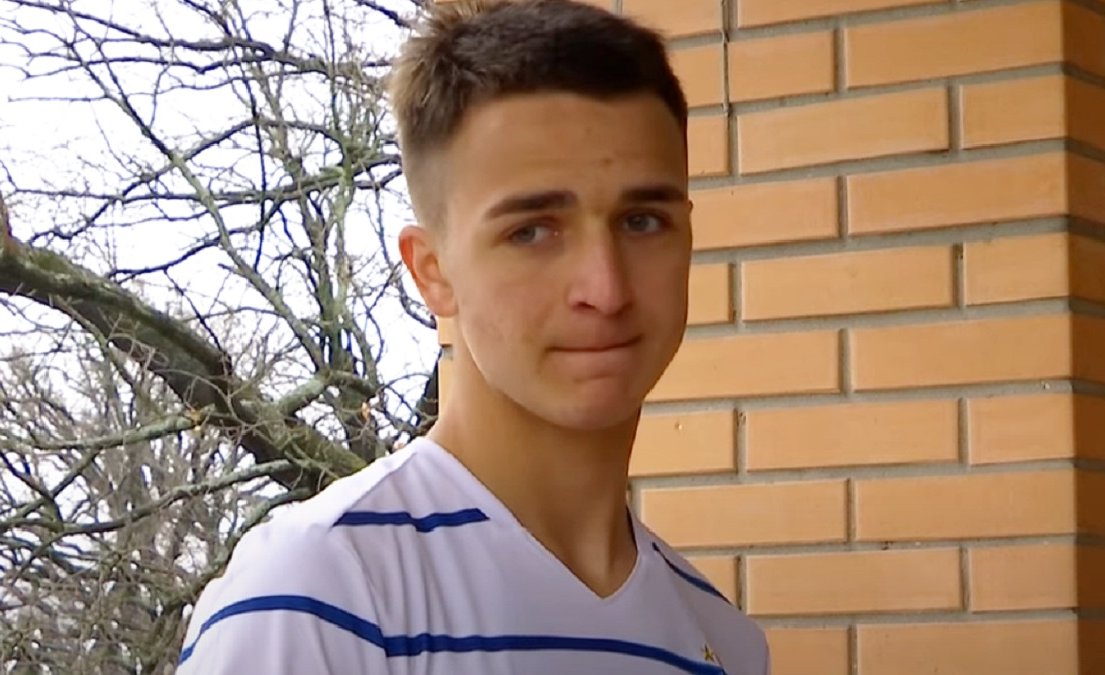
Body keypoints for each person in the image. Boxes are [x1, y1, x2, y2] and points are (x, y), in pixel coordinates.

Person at [175, 0, 770, 672]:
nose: (605, 289)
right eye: (531, 231)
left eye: (642, 222)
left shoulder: (722, 637)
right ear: (432, 272)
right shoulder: (320, 594)